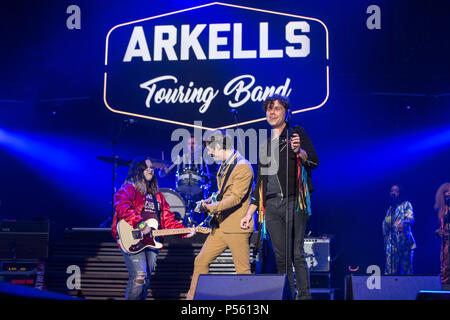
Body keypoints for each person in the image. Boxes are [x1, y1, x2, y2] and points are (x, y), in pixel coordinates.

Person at [240, 94, 319, 300]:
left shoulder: (296, 133)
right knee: (281, 258)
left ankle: (304, 297)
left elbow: (314, 161)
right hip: (272, 206)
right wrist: (250, 212)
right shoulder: (265, 145)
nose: (272, 112)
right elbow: (260, 183)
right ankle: (288, 298)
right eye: (268, 109)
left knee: (296, 254)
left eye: (276, 108)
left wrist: (299, 151)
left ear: (286, 112)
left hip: (294, 202)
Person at [111, 158, 195, 300]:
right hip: (132, 237)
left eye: (152, 168)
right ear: (138, 171)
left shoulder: (158, 196)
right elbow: (123, 206)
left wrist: (185, 232)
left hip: (152, 240)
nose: (151, 170)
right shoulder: (129, 188)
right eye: (146, 167)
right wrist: (141, 225)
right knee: (139, 276)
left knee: (146, 280)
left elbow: (168, 220)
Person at [185, 130, 254, 300]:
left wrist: (210, 208)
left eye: (210, 149)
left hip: (237, 227)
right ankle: (192, 300)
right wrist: (209, 201)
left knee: (243, 271)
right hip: (221, 226)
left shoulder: (243, 166)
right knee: (200, 261)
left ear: (218, 146)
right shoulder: (225, 165)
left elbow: (235, 198)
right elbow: (223, 193)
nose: (208, 153)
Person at [382, 185, 416, 275]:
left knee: (406, 270)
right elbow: (386, 226)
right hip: (392, 242)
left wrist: (403, 223)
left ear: (400, 194)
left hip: (404, 242)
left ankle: (408, 288)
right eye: (392, 191)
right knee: (389, 269)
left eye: (396, 191)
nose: (393, 193)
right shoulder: (390, 209)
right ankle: (390, 287)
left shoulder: (405, 204)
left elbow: (411, 219)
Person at [434, 182, 450, 290]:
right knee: (445, 268)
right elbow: (441, 227)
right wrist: (438, 232)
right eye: (445, 192)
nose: (447, 194)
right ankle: (446, 292)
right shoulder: (442, 210)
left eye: (449, 192)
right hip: (446, 242)